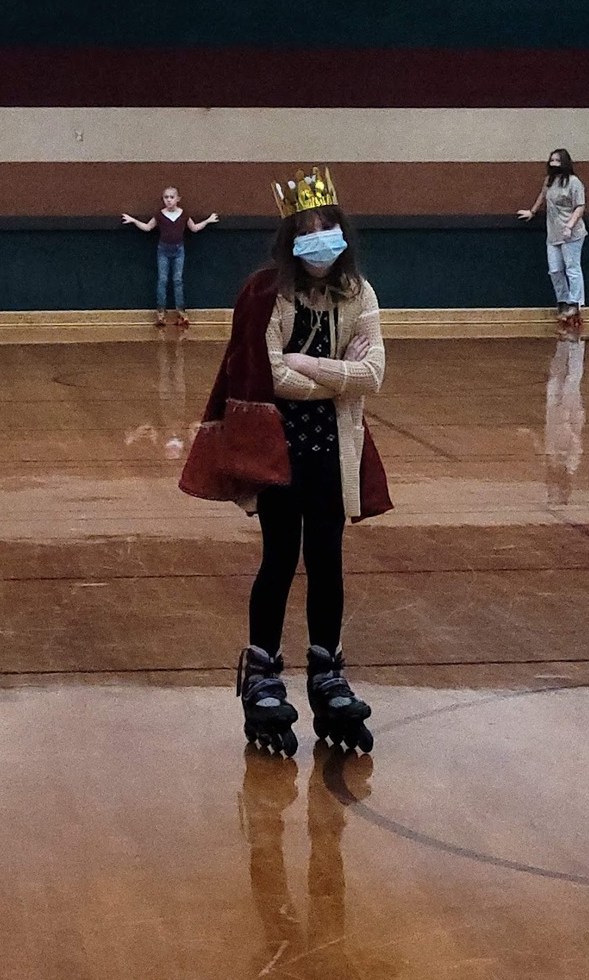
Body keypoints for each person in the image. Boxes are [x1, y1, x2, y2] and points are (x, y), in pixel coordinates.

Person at [179, 167, 392, 757]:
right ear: (290, 240)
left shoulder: (360, 295)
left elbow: (372, 374)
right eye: (307, 232)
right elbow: (269, 376)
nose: (320, 242)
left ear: (342, 234)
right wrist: (336, 376)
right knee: (279, 557)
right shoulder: (266, 293)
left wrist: (313, 366)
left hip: (333, 449)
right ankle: (264, 670)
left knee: (328, 558)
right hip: (278, 448)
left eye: (328, 230)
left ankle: (327, 668)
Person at [121, 186, 218, 328]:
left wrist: (208, 220)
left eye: (171, 197)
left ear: (178, 199)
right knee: (162, 280)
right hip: (163, 250)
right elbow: (148, 227)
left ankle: (182, 313)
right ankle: (160, 314)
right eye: (166, 197)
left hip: (179, 250)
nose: (169, 200)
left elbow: (194, 228)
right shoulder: (159, 215)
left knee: (178, 280)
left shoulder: (184, 215)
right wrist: (133, 220)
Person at [517, 148, 587, 328]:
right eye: (551, 160)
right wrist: (532, 211)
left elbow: (580, 206)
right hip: (553, 234)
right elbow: (543, 195)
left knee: (572, 268)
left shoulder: (574, 182)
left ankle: (575, 303)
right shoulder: (549, 181)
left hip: (571, 234)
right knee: (555, 270)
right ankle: (562, 303)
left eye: (557, 160)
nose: (553, 163)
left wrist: (570, 225)